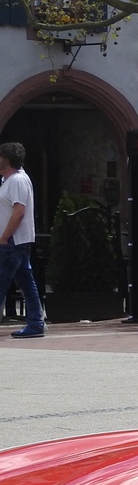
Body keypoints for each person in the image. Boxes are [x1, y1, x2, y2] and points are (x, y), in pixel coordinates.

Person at [0, 142, 42, 339]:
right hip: (14, 241)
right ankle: (36, 323)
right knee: (26, 282)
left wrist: (5, 236)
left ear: (6, 159)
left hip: (12, 241)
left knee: (2, 280)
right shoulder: (8, 180)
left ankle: (36, 323)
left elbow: (19, 211)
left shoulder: (17, 180)